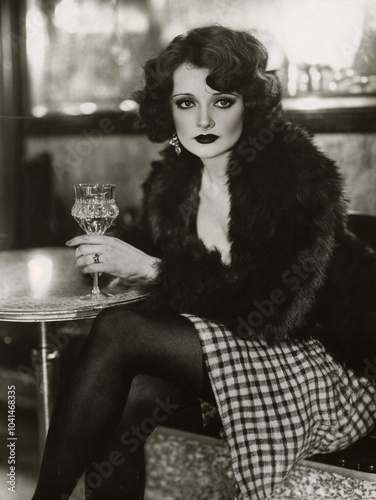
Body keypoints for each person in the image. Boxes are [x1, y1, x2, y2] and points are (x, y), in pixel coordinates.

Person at [31, 25, 376, 500]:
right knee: (131, 398)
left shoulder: (293, 174)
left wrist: (153, 270)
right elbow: (183, 281)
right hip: (228, 357)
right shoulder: (171, 188)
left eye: (223, 100)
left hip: (311, 366)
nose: (204, 120)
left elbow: (272, 311)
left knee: (120, 329)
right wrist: (121, 264)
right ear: (168, 112)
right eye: (187, 103)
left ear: (248, 106)